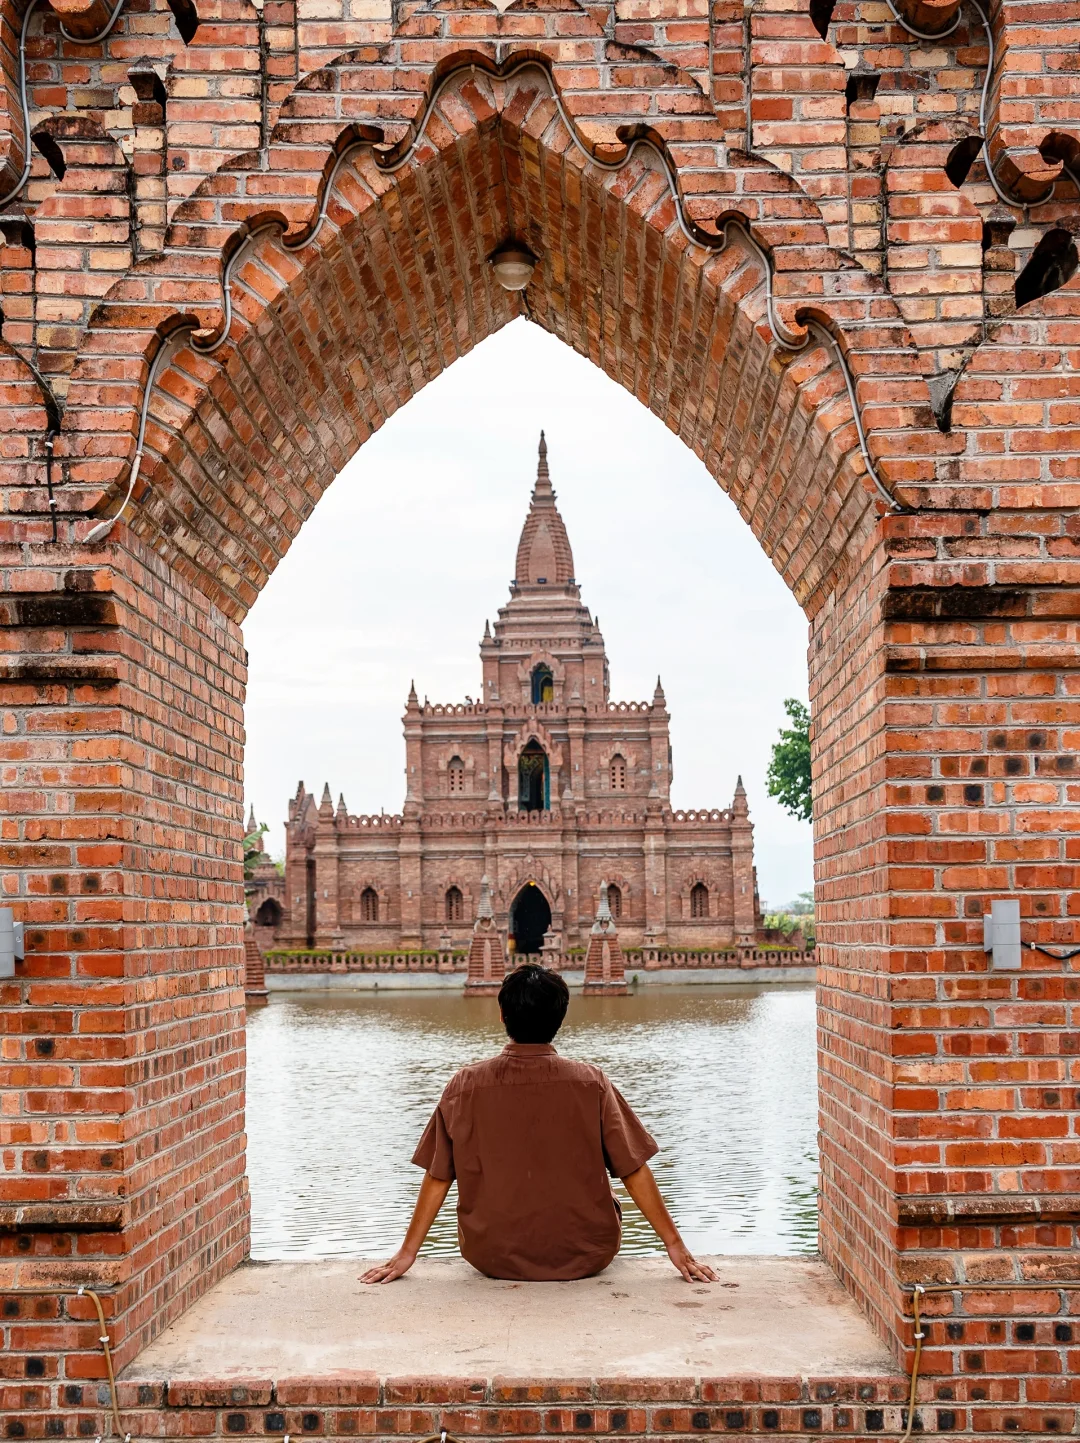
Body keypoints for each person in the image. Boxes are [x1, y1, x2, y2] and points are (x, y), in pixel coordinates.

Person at [361, 962, 716, 1285]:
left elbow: (438, 1176)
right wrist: (676, 1246)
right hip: (586, 1254)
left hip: (492, 1256)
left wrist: (407, 1254)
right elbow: (633, 1169)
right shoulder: (591, 1082)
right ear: (560, 1017)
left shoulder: (464, 1085)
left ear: (502, 1016)